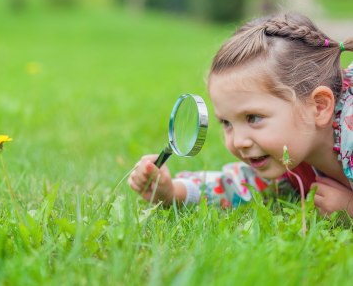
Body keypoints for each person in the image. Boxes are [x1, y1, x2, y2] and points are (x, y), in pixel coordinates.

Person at [128, 13, 353, 217]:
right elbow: (242, 184)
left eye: (253, 118)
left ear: (320, 107)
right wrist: (173, 192)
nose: (238, 141)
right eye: (226, 123)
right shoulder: (289, 154)